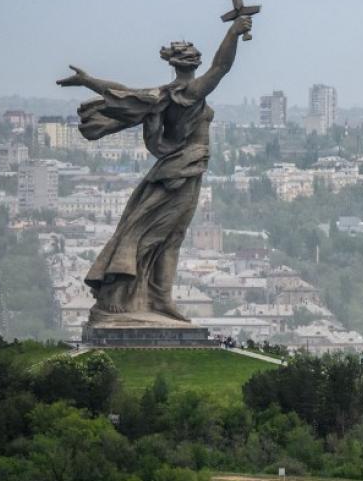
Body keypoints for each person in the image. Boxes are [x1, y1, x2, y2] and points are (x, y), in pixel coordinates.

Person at [57, 16, 252, 322]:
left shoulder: (164, 93)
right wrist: (233, 33)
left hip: (183, 168)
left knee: (169, 235)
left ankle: (159, 299)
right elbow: (222, 67)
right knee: (155, 234)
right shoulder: (188, 93)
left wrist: (88, 80)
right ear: (191, 64)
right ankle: (128, 296)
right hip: (181, 169)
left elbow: (122, 92)